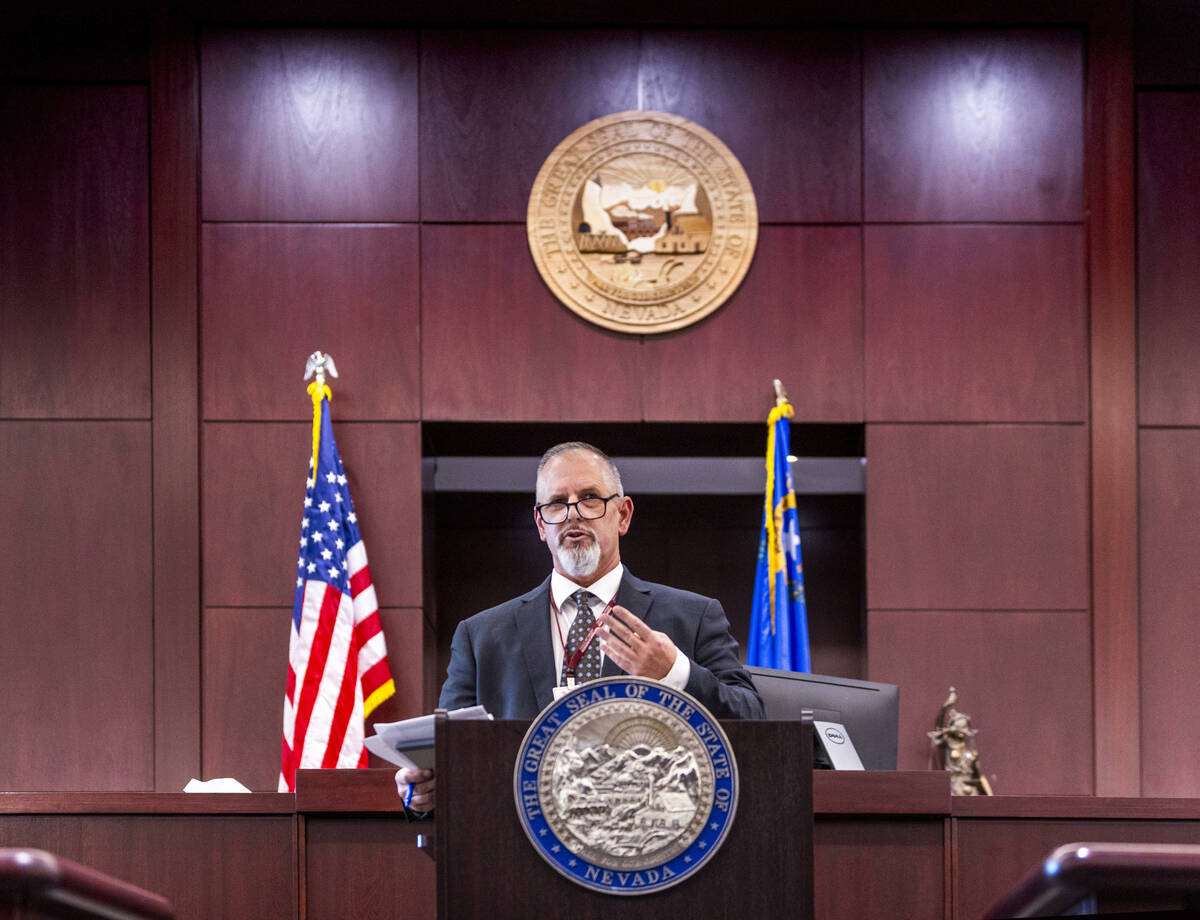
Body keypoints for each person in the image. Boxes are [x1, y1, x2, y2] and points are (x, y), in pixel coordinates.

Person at [397, 441, 764, 811]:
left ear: (622, 515)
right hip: (518, 844)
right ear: (541, 524)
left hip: (651, 844)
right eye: (557, 503)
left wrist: (674, 673)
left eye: (590, 498)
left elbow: (755, 723)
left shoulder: (693, 617)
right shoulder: (481, 637)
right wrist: (423, 789)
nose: (573, 514)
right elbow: (443, 755)